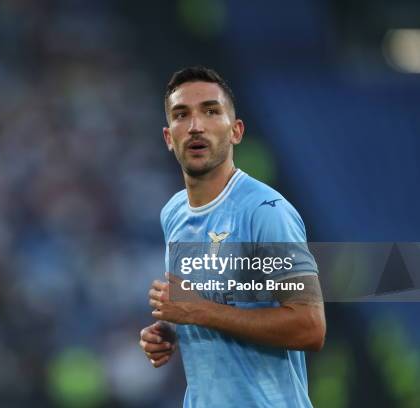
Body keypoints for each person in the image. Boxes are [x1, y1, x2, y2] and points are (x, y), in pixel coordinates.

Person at [138, 66, 326, 407]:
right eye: (182, 115)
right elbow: (200, 303)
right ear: (169, 137)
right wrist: (170, 331)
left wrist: (198, 313)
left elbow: (309, 327)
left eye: (211, 111)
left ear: (236, 130)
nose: (196, 126)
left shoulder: (266, 212)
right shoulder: (174, 213)